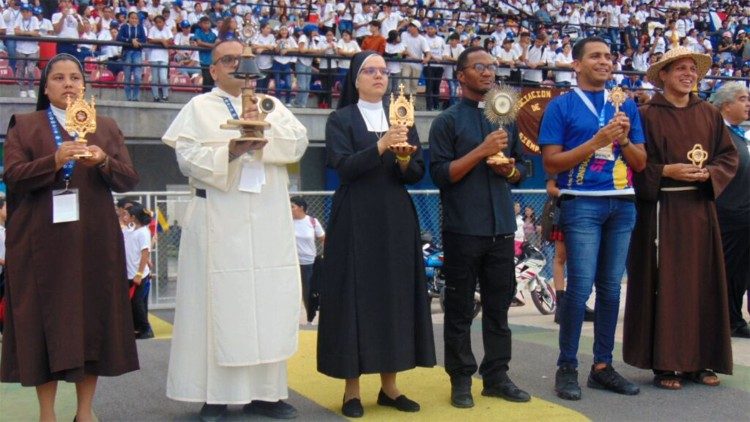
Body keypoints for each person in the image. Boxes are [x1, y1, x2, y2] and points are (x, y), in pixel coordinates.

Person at [162, 40, 308, 421]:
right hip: (217, 221)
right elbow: (186, 159)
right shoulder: (198, 107)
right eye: (228, 60)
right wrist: (232, 150)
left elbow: (298, 144)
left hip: (266, 222)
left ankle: (268, 393)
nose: (238, 67)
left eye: (244, 60)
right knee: (217, 308)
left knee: (267, 306)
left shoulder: (270, 105)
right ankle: (214, 395)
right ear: (213, 70)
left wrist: (262, 138)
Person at [0, 53, 140, 422]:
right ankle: (47, 412)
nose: (68, 84)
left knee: (89, 321)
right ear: (46, 88)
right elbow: (13, 176)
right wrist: (55, 160)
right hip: (39, 243)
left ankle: (84, 411)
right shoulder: (25, 125)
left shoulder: (105, 126)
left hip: (92, 242)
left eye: (75, 77)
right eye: (59, 78)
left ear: (85, 85)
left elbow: (128, 178)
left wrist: (104, 162)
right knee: (40, 325)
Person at [317, 51, 435, 418]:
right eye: (370, 70)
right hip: (355, 217)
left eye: (384, 71)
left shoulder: (402, 115)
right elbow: (344, 167)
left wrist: (401, 158)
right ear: (355, 78)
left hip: (395, 218)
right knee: (354, 297)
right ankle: (351, 391)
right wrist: (382, 146)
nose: (379, 76)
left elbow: (415, 171)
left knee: (394, 298)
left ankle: (390, 387)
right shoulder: (341, 119)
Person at [538, 36, 647, 401]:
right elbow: (551, 164)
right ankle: (566, 365)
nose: (605, 61)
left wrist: (625, 140)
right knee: (580, 286)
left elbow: (641, 163)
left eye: (608, 56)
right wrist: (597, 139)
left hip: (623, 202)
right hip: (581, 202)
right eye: (596, 56)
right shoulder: (561, 106)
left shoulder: (626, 105)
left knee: (613, 288)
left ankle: (602, 366)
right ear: (577, 65)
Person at [624, 47, 738, 390]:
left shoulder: (709, 114)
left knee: (703, 282)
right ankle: (667, 363)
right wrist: (665, 171)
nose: (688, 74)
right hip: (663, 210)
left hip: (700, 211)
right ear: (663, 75)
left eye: (692, 69)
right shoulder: (646, 114)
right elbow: (633, 163)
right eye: (680, 69)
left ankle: (702, 360)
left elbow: (727, 157)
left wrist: (710, 174)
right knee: (667, 285)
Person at [429, 46, 531, 409]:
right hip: (463, 229)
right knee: (459, 309)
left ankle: (496, 376)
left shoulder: (506, 117)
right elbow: (442, 175)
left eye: (492, 66)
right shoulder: (447, 121)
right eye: (479, 66)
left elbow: (522, 170)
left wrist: (510, 171)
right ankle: (460, 378)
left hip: (502, 228)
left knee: (499, 308)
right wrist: (481, 151)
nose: (488, 72)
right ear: (461, 76)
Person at [712, 82, 750, 339]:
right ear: (726, 105)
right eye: (742, 98)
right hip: (728, 213)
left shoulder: (740, 134)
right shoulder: (718, 135)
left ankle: (734, 317)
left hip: (743, 213)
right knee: (727, 268)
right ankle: (725, 319)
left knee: (739, 271)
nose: (747, 103)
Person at [290, 196, 325, 323]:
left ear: (301, 208)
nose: (291, 210)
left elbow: (323, 238)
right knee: (291, 290)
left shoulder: (312, 222)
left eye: (293, 207)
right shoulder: (288, 222)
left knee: (308, 291)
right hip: (292, 263)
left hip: (309, 263)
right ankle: (291, 319)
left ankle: (310, 318)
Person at [123, 203, 154, 340]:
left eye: (126, 214)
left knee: (137, 302)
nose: (124, 217)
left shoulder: (143, 232)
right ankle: (137, 328)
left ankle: (146, 329)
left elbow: (145, 253)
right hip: (129, 273)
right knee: (131, 303)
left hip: (139, 275)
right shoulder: (131, 231)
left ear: (133, 217)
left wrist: (140, 274)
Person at [116, 11, 147, 101]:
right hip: (127, 52)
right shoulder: (124, 27)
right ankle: (129, 97)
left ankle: (136, 96)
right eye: (132, 18)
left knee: (137, 76)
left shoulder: (140, 27)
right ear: (128, 19)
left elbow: (143, 39)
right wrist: (131, 40)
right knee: (127, 76)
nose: (134, 20)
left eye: (136, 18)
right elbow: (119, 38)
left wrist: (136, 41)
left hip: (137, 53)